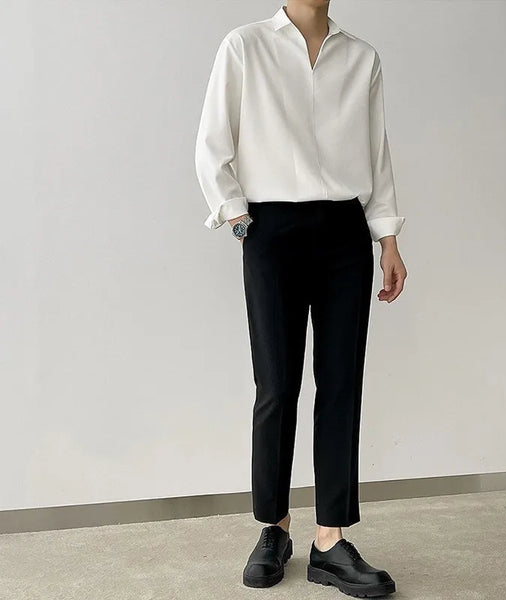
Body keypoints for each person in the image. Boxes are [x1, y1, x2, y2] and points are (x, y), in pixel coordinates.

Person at [195, 1, 407, 596]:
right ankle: (274, 527)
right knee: (276, 384)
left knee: (341, 385)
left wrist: (388, 237)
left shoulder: (361, 57)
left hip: (344, 232)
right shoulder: (245, 46)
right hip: (272, 229)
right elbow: (213, 143)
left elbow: (377, 152)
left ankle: (330, 541)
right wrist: (240, 219)